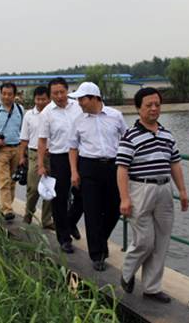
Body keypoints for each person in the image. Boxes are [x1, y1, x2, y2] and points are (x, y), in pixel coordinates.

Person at [116, 87, 189, 303]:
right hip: (141, 189)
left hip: (164, 189)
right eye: (149, 105)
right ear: (138, 108)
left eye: (157, 104)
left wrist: (182, 191)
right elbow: (122, 168)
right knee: (145, 241)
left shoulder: (167, 134)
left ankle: (152, 287)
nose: (154, 108)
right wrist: (124, 198)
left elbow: (175, 163)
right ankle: (127, 272)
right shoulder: (130, 136)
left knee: (162, 241)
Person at [68, 82, 127, 271]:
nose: (79, 103)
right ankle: (97, 254)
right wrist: (74, 172)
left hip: (113, 166)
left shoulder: (116, 116)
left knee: (115, 208)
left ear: (94, 98)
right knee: (92, 211)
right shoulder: (78, 120)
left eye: (82, 99)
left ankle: (101, 239)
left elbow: (127, 139)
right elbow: (73, 148)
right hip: (89, 167)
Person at [38, 77, 84, 254]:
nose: (59, 96)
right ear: (50, 94)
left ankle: (71, 222)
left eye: (61, 92)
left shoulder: (78, 106)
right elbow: (42, 141)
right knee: (60, 198)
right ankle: (64, 238)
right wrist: (41, 164)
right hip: (59, 157)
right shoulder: (47, 113)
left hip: (81, 155)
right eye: (55, 93)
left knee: (83, 194)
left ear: (67, 90)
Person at [0, 83, 24, 220]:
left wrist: (23, 151)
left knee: (13, 180)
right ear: (0, 94)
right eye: (4, 94)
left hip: (17, 148)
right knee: (4, 179)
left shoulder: (20, 109)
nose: (6, 97)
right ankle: (7, 209)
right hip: (2, 150)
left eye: (9, 94)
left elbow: (23, 130)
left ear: (14, 95)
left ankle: (7, 205)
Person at [18, 86, 53, 228]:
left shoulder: (53, 113)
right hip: (33, 154)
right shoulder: (29, 115)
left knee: (49, 189)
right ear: (34, 99)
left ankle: (47, 220)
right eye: (38, 99)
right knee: (32, 188)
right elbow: (24, 138)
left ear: (48, 99)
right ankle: (28, 214)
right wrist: (22, 156)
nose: (40, 102)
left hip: (52, 155)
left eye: (43, 99)